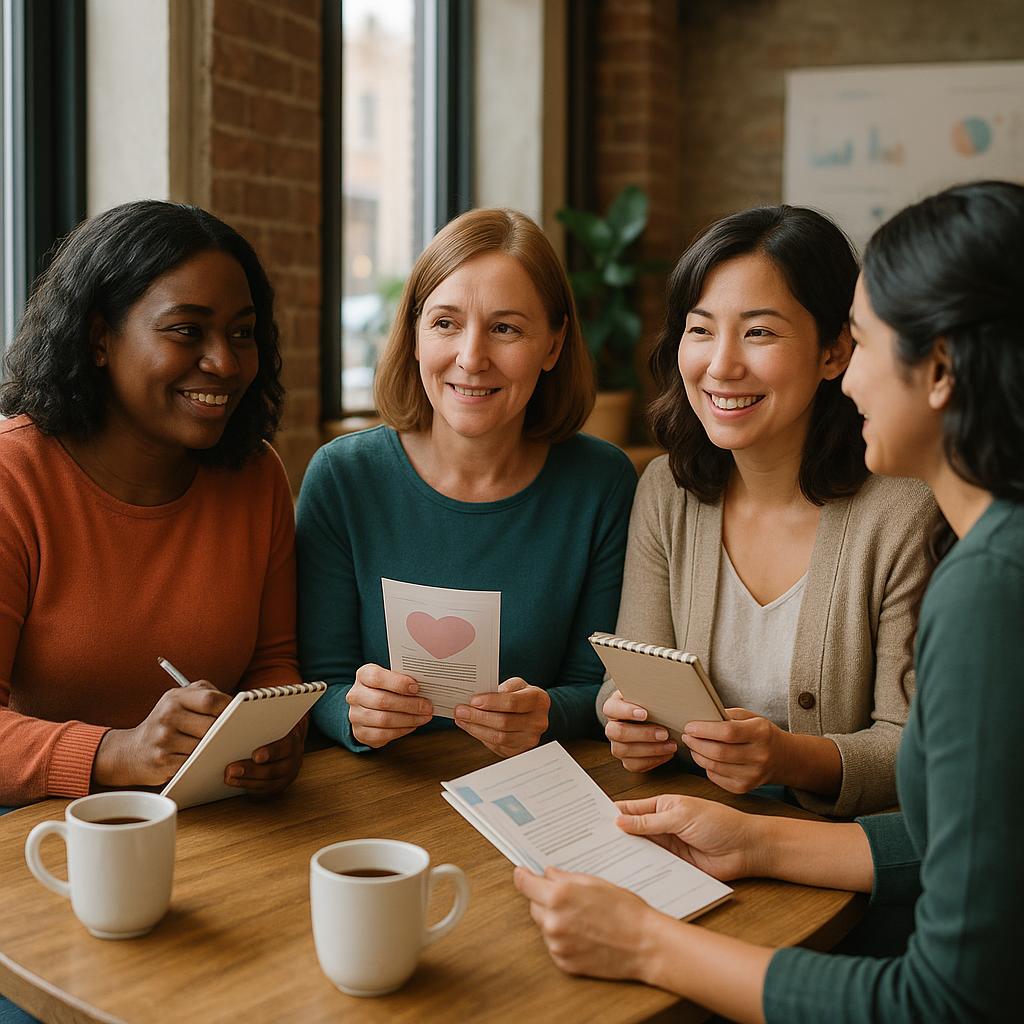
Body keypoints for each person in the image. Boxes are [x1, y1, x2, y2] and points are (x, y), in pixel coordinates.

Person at [515, 180, 1024, 1022]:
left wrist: (649, 944)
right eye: (700, 329)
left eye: (860, 342)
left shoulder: (986, 582)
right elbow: (961, 844)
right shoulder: (994, 555)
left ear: (938, 370)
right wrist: (755, 839)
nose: (853, 374)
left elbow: (944, 1002)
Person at [598, 205, 937, 817]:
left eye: (759, 332)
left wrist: (789, 758)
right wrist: (625, 720)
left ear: (834, 351)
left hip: (835, 857)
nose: (722, 365)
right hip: (690, 822)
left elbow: (913, 750)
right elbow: (628, 673)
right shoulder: (665, 490)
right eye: (700, 330)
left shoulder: (904, 512)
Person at [297, 208, 636, 757]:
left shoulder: (601, 484)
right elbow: (319, 683)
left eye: (506, 328)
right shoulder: (343, 478)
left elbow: (594, 686)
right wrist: (353, 712)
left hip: (535, 789)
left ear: (552, 345)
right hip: (378, 789)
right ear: (413, 334)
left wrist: (547, 713)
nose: (471, 357)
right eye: (445, 323)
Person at [0, 200, 304, 810]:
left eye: (242, 333)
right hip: (47, 834)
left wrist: (276, 739)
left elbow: (273, 663)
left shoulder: (255, 476)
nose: (224, 362)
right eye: (187, 331)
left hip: (216, 823)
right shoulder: (15, 478)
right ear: (99, 339)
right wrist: (119, 752)